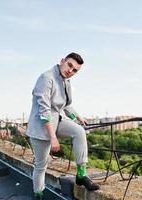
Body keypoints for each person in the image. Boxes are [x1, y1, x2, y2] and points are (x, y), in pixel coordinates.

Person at [26, 52, 99, 200]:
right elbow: (44, 111)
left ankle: (81, 175)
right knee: (41, 166)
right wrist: (53, 138)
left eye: (75, 70)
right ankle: (38, 195)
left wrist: (78, 117)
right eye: (69, 65)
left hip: (57, 121)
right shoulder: (46, 78)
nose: (70, 71)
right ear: (62, 61)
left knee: (79, 131)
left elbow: (66, 105)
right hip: (41, 127)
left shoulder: (66, 80)